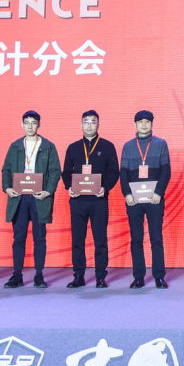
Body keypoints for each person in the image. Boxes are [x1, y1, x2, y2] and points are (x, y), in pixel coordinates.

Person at [1, 110, 61, 288]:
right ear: (22, 125)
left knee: (39, 238)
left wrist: (48, 191)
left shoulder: (48, 146)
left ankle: (39, 276)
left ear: (39, 125)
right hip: (19, 197)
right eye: (26, 123)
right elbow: (6, 169)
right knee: (18, 237)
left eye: (33, 123)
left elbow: (55, 171)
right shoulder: (15, 146)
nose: (30, 126)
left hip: (39, 197)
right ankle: (17, 276)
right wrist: (7, 188)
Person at [60, 110, 120, 288]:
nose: (89, 125)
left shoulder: (107, 146)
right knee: (78, 239)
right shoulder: (73, 147)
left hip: (99, 200)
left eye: (93, 122)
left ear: (98, 124)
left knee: (100, 240)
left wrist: (105, 188)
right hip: (78, 200)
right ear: (81, 125)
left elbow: (114, 172)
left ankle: (100, 276)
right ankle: (78, 275)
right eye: (86, 122)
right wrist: (69, 187)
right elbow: (66, 172)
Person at [120, 110, 172, 288]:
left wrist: (159, 192)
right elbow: (123, 173)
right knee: (136, 239)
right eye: (140, 121)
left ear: (152, 124)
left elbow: (166, 170)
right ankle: (138, 277)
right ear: (135, 124)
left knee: (156, 238)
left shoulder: (161, 144)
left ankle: (159, 276)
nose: (143, 125)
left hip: (154, 199)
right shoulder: (128, 146)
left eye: (147, 122)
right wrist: (127, 194)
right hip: (134, 200)